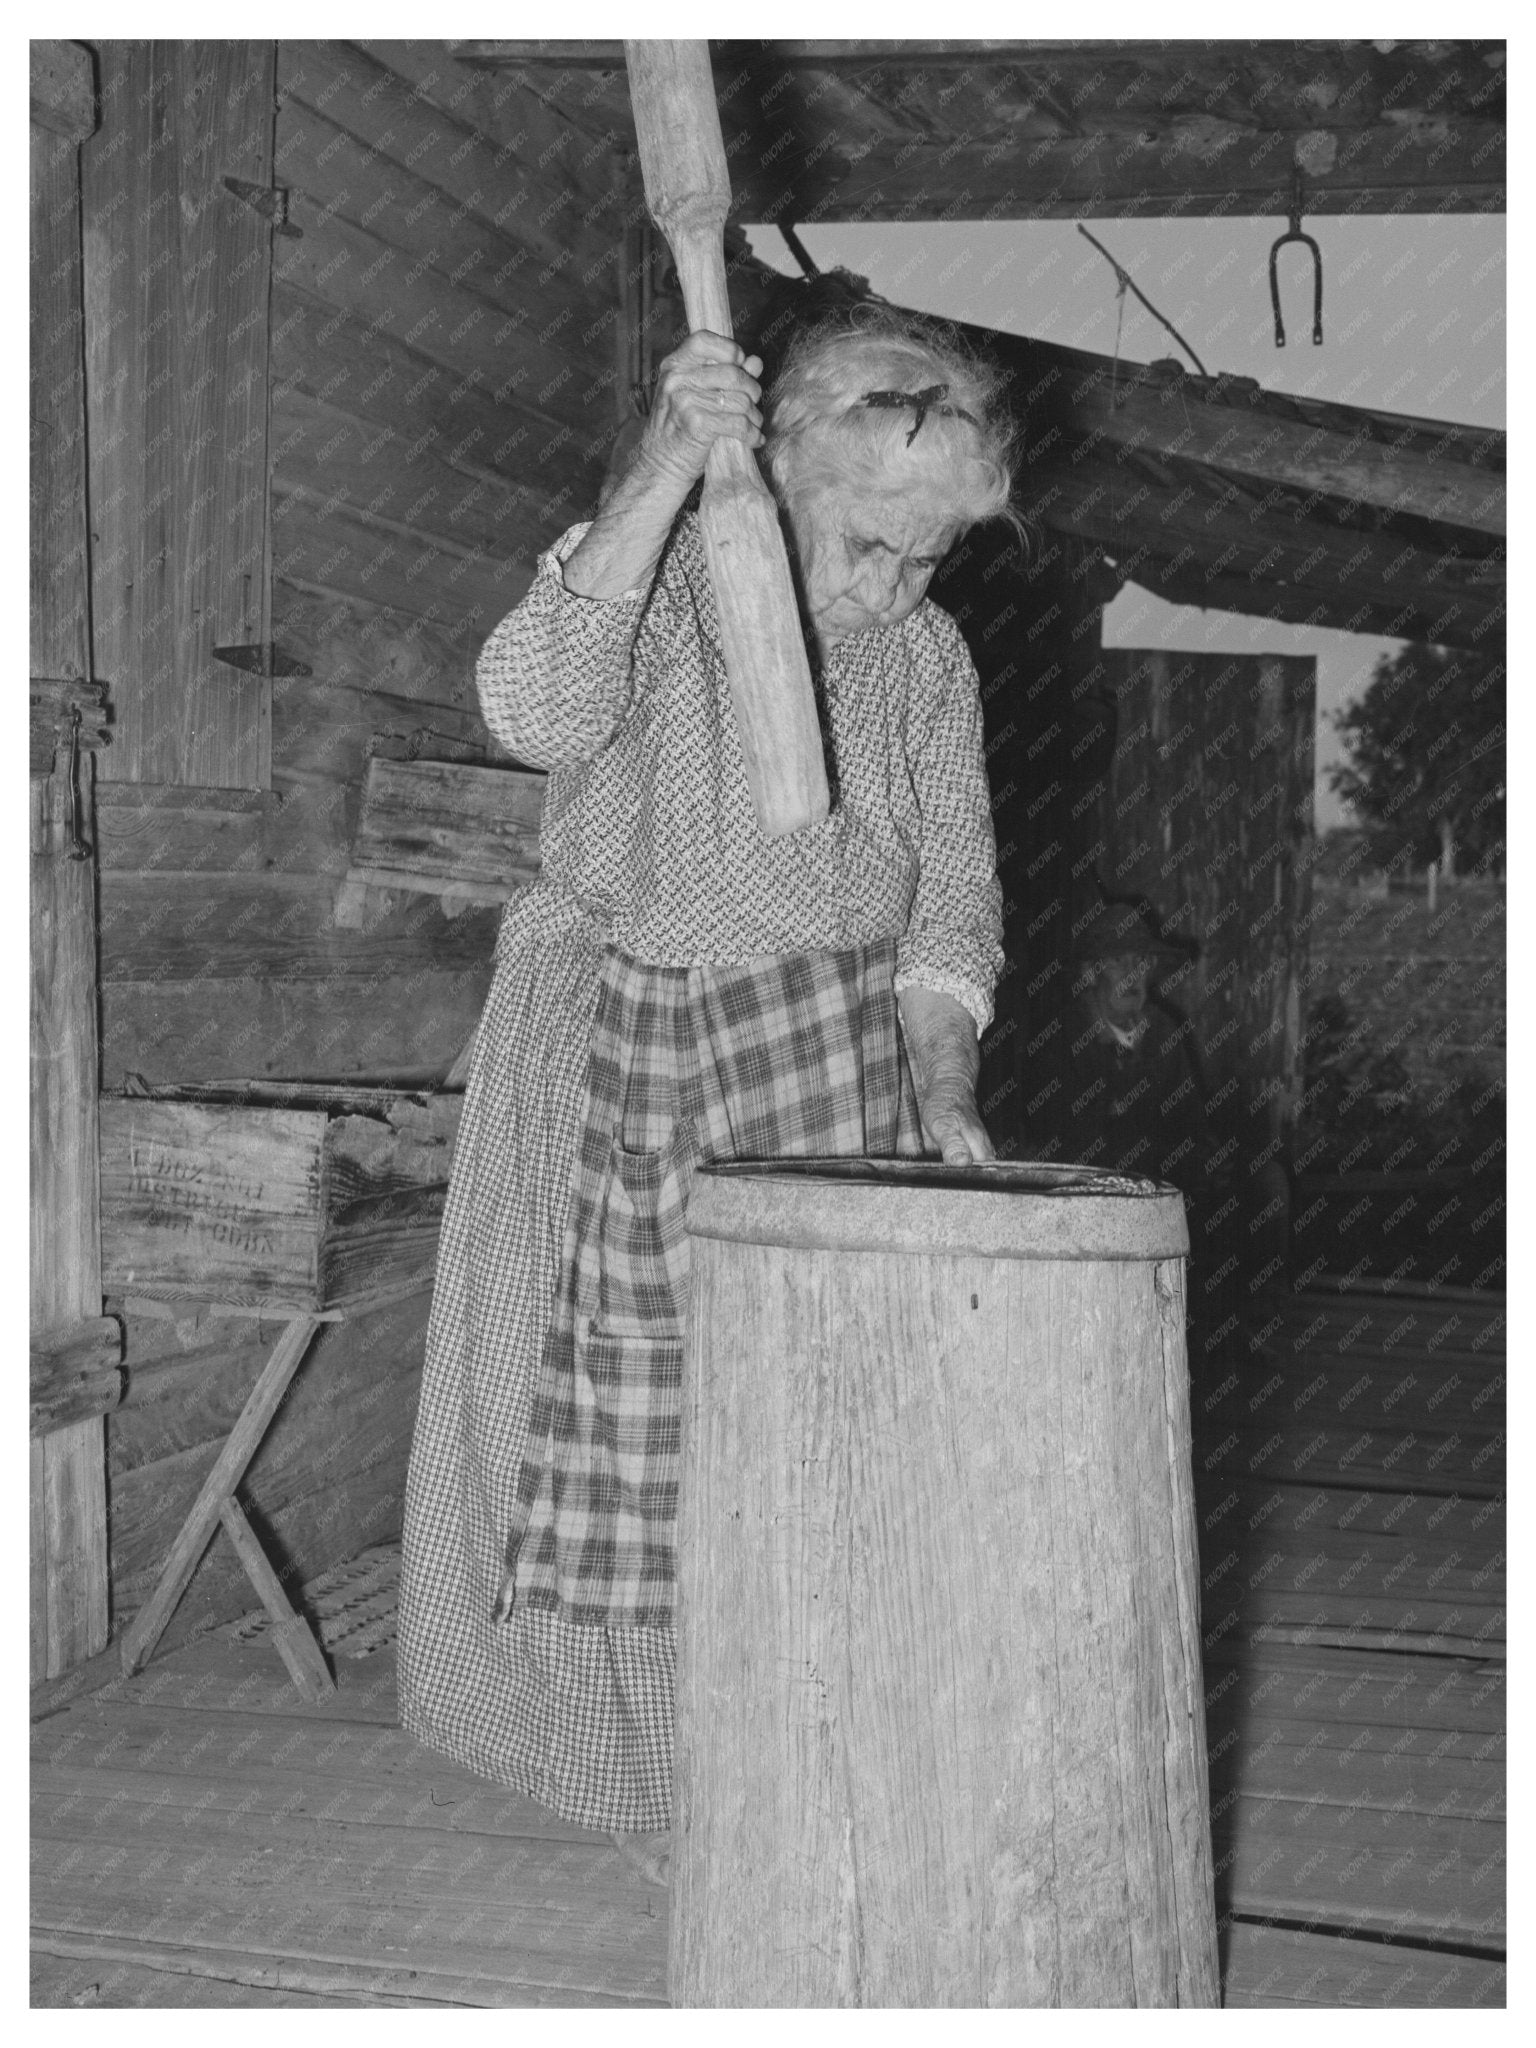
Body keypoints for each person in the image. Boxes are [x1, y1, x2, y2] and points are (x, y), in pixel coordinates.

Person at [398, 307, 1018, 1833]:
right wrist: (669, 457)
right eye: (868, 542)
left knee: (820, 1438)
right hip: (622, 1042)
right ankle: (641, 1788)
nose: (892, 586)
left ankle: (798, 1770)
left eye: (932, 554)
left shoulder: (926, 658)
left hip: (833, 1063)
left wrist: (941, 1084)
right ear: (783, 467)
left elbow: (953, 898)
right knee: (627, 1440)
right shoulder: (665, 580)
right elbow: (530, 709)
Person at [1044, 902, 1211, 1187]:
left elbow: (1191, 1127)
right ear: (1090, 973)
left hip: (1160, 1186)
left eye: (1140, 961)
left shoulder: (1163, 1032)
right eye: (1118, 960)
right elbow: (1070, 1144)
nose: (1132, 974)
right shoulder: (1064, 1037)